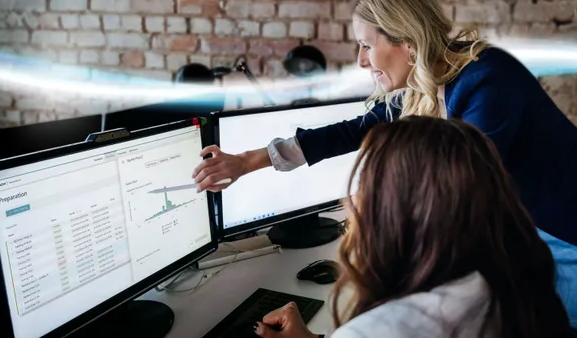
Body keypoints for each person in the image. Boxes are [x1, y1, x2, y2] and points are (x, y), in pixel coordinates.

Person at [192, 0, 577, 325]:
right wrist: (245, 161)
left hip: (564, 234)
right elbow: (350, 131)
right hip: (523, 234)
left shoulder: (487, 80)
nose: (361, 61)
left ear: (407, 43)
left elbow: (461, 191)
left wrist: (377, 240)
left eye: (365, 45)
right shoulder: (424, 86)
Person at [253, 116, 575, 338]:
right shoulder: (507, 281)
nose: (353, 201)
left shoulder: (384, 327)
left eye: (368, 182)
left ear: (396, 208)